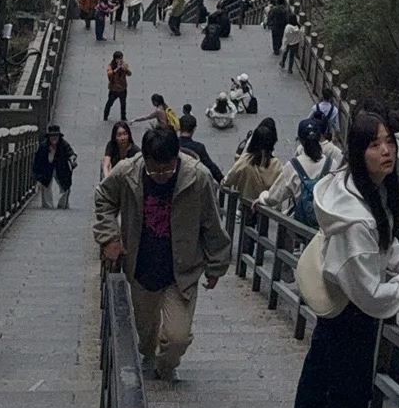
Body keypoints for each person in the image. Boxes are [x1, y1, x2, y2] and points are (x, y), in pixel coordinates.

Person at [285, 110, 399, 408]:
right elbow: (370, 294)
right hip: (350, 322)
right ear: (358, 152)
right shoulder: (356, 219)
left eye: (389, 142)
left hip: (342, 322)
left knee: (318, 404)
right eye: (375, 144)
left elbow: (384, 241)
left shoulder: (361, 189)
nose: (386, 151)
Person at [93, 123, 231, 382]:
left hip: (182, 270)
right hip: (141, 265)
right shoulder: (127, 172)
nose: (160, 175)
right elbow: (104, 197)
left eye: (167, 168)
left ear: (176, 157)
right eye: (154, 169)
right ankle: (150, 356)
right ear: (144, 158)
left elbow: (211, 222)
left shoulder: (197, 178)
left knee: (178, 337)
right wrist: (109, 237)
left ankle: (166, 365)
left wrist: (216, 265)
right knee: (145, 334)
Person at [259, 124, 334, 221]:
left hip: (299, 225)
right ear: (320, 137)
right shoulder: (332, 164)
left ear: (300, 140)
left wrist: (263, 196)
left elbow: (274, 197)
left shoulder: (293, 166)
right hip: (324, 226)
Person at [222, 123, 282, 204]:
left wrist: (224, 183)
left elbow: (230, 177)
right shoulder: (276, 164)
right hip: (268, 208)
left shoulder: (246, 159)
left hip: (246, 205)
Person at [33, 124, 77, 209]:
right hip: (47, 168)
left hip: (61, 167)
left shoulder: (64, 144)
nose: (54, 138)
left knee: (65, 186)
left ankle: (62, 204)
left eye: (56, 136)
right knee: (45, 185)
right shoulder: (44, 146)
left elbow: (70, 152)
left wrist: (72, 158)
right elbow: (38, 160)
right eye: (52, 136)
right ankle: (47, 205)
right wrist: (38, 175)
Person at [177, 112, 222, 184]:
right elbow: (210, 166)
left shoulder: (172, 145)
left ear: (179, 127)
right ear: (194, 129)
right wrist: (222, 180)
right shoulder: (199, 147)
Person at [104, 51, 131, 121]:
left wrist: (126, 69)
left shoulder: (123, 65)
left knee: (123, 104)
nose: (120, 60)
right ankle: (105, 115)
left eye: (121, 59)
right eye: (118, 59)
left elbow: (129, 74)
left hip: (122, 88)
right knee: (109, 103)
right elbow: (109, 74)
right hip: (114, 89)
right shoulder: (111, 66)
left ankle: (123, 117)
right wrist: (117, 69)